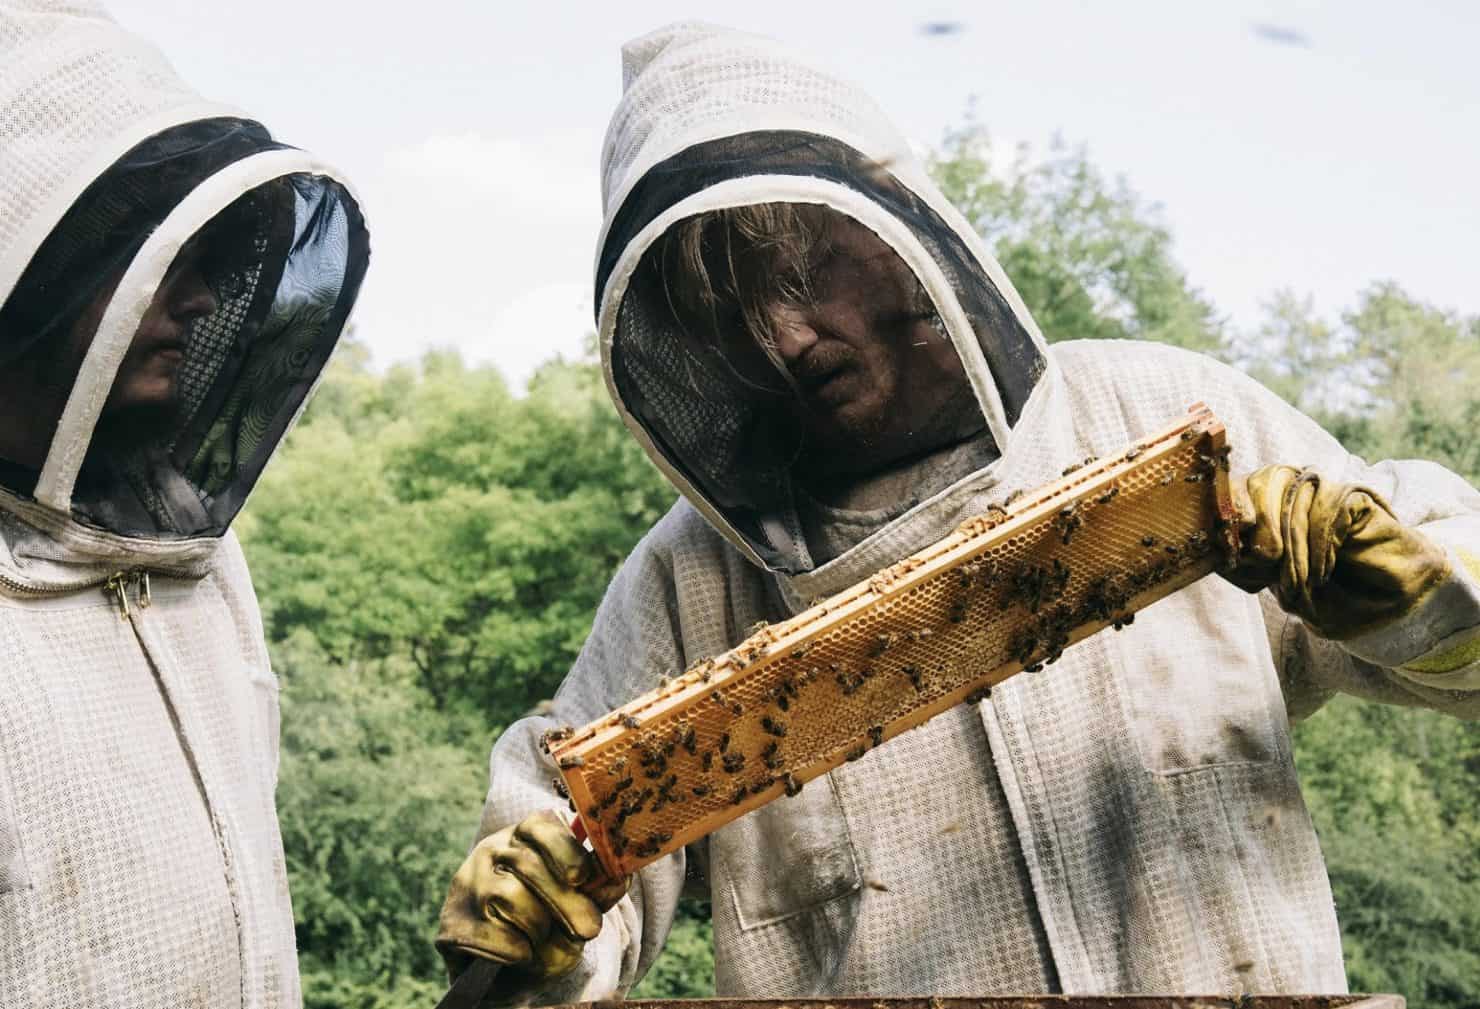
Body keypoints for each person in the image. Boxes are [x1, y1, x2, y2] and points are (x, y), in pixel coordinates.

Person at [437, 22, 1480, 1004]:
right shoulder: (689, 583)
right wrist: (535, 922)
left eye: (801, 269)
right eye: (729, 311)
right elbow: (559, 842)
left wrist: (1413, 585)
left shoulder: (1158, 411)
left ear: (894, 232)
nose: (782, 337)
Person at [0, 2, 369, 1006]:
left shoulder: (197, 553)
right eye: (155, 247)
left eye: (210, 260)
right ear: (39, 255)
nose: (201, 298)